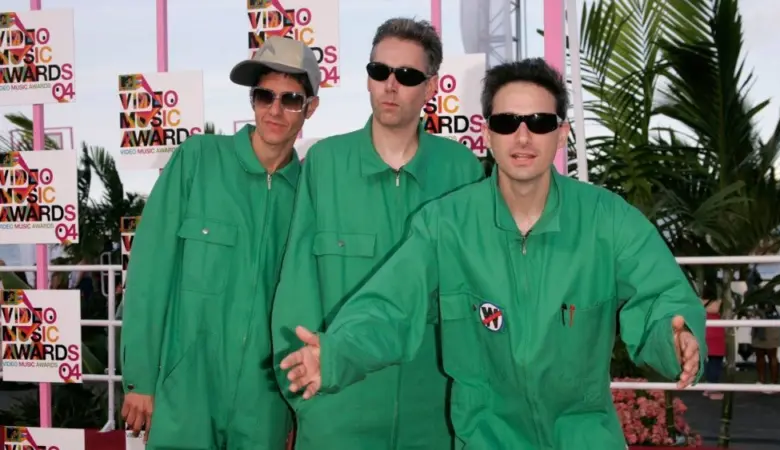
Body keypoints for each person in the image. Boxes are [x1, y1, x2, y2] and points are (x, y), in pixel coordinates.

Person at [279, 58, 707, 449]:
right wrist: (337, 353)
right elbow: (391, 305)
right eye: (506, 122)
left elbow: (660, 294)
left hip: (584, 438)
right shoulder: (446, 225)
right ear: (487, 135)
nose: (522, 136)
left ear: (561, 134)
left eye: (539, 122)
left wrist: (677, 340)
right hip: (487, 439)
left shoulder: (606, 219)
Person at [270, 17, 484, 450]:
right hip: (335, 415)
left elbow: (479, 291)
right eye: (379, 71)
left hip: (435, 419)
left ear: (430, 86)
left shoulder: (462, 170)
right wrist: (307, 401)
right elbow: (296, 288)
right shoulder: (325, 163)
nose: (390, 85)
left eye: (407, 75)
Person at [119, 36, 321, 449]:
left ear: (310, 108)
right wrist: (140, 377)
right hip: (184, 391)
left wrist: (295, 407)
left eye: (291, 99)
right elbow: (150, 272)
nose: (275, 110)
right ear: (253, 100)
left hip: (265, 401)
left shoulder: (309, 194)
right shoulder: (198, 159)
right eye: (264, 96)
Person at [702, 284, 725, 400]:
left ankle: (708, 386)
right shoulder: (720, 303)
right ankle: (713, 388)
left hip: (705, 332)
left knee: (708, 361)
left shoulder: (699, 302)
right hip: (717, 333)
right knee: (716, 361)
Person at [752, 304, 780, 391]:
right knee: (759, 355)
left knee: (772, 355)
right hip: (758, 324)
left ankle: (774, 383)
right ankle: (761, 381)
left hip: (771, 323)